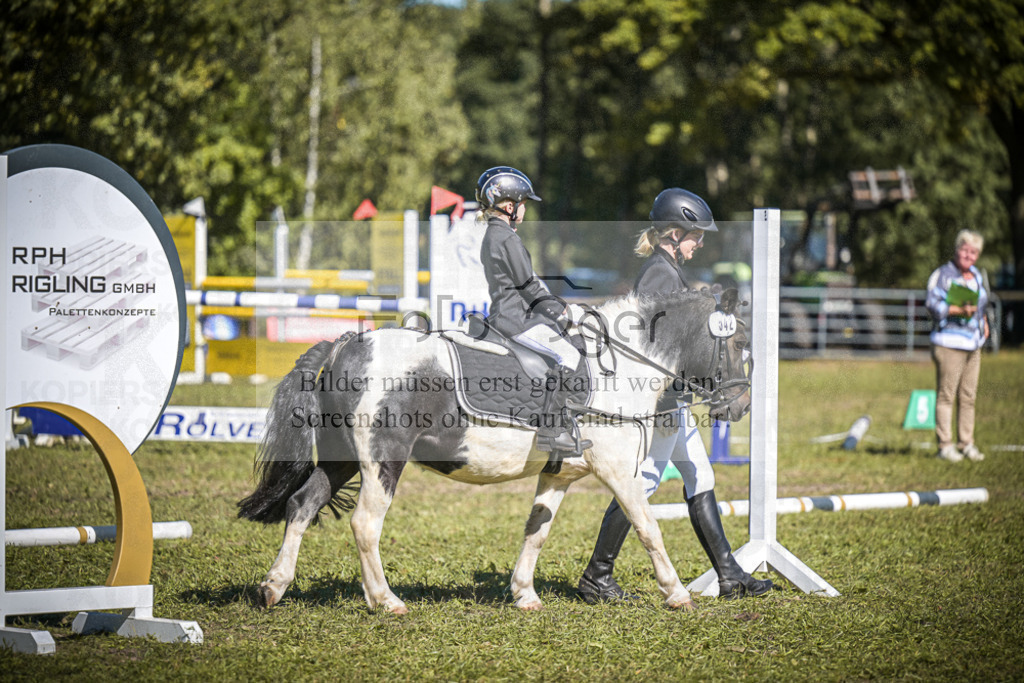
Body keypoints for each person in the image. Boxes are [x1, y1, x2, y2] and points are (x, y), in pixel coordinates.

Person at [577, 187, 774, 603]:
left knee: (700, 477)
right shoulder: (660, 275)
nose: (699, 242)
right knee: (642, 483)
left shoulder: (668, 270)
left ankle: (729, 574)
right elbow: (656, 351)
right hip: (663, 404)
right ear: (672, 233)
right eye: (694, 234)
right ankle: (597, 574)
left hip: (675, 400)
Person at [476, 166, 590, 457]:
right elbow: (529, 287)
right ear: (509, 206)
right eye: (523, 204)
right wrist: (565, 312)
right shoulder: (507, 238)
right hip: (515, 319)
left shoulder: (494, 234)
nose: (525, 211)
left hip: (509, 315)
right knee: (570, 354)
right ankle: (552, 432)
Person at [925, 230, 989, 463]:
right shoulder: (943, 275)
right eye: (965, 250)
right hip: (948, 343)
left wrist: (983, 322)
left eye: (973, 252)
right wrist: (957, 309)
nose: (968, 255)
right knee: (947, 396)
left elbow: (981, 305)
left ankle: (967, 443)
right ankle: (945, 445)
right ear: (957, 249)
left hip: (973, 343)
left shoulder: (977, 276)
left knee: (968, 396)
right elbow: (932, 305)